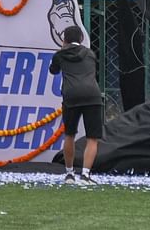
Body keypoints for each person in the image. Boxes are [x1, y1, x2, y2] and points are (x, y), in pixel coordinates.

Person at [49, 24, 103, 185]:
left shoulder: (60, 55)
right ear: (81, 38)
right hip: (92, 95)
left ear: (64, 39)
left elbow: (53, 70)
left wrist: (62, 50)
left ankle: (69, 173)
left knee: (70, 134)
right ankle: (85, 175)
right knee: (93, 137)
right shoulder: (90, 54)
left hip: (71, 95)